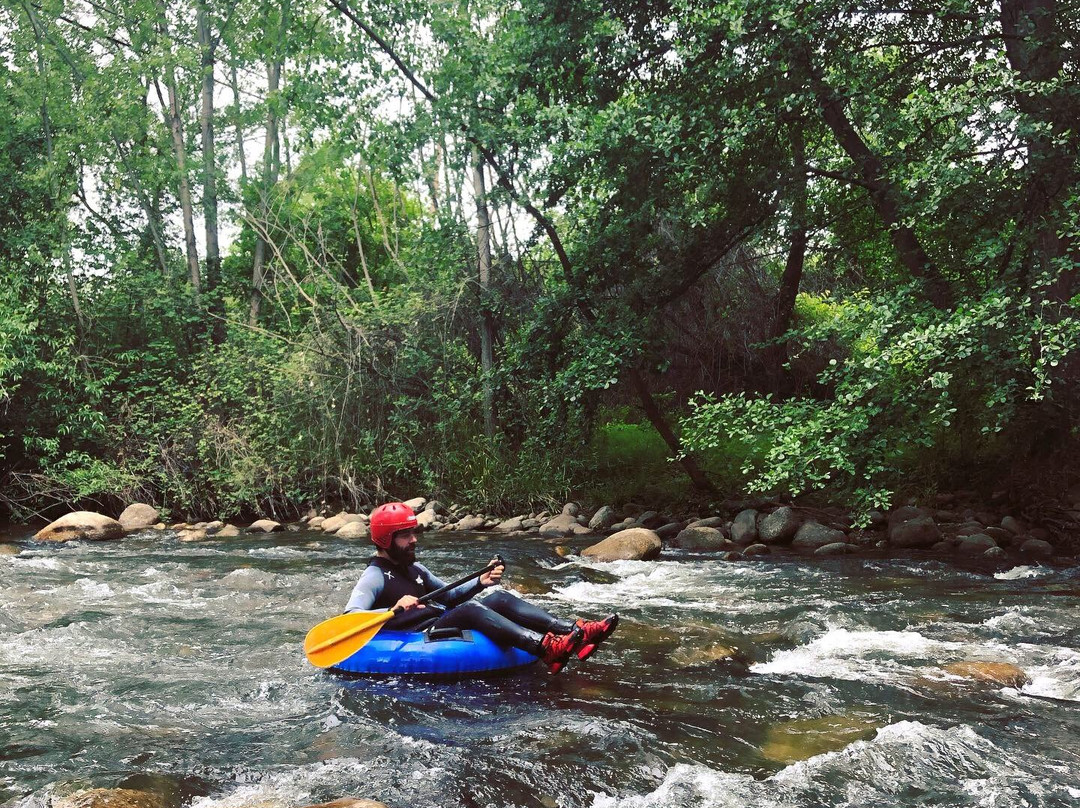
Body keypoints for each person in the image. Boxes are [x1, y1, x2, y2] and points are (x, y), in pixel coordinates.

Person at [344, 502, 618, 674]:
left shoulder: (416, 570)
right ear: (385, 539)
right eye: (405, 536)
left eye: (413, 533)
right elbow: (350, 619)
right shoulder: (374, 576)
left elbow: (449, 597)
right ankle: (546, 649)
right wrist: (392, 609)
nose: (414, 540)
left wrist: (480, 582)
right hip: (418, 634)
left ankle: (575, 631)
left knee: (498, 597)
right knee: (470, 610)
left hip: (438, 622)